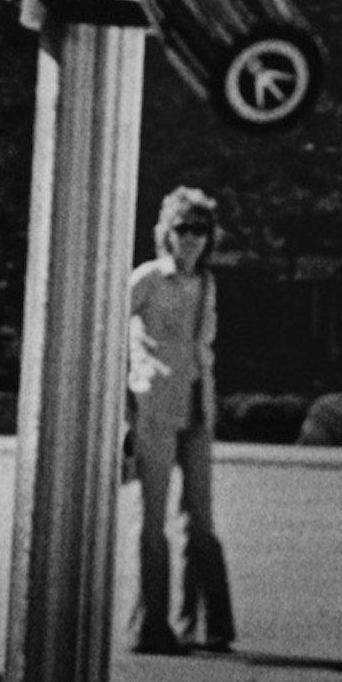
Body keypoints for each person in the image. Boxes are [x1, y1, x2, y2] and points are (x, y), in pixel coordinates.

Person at [126, 185, 232, 655]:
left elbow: (202, 349)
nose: (191, 238)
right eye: (183, 228)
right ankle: (151, 628)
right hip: (153, 407)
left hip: (196, 409)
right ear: (166, 233)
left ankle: (206, 625)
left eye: (200, 230)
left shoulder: (207, 284)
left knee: (202, 521)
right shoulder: (147, 279)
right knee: (153, 520)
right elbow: (111, 332)